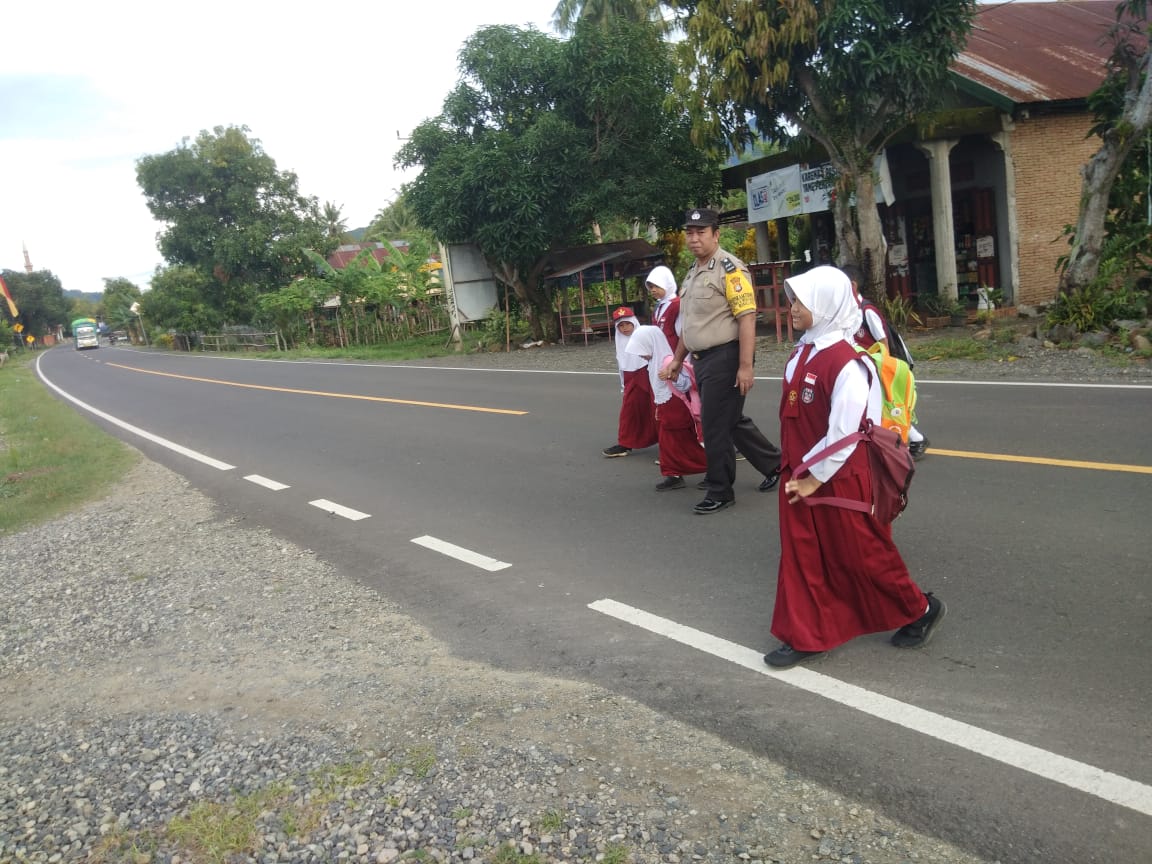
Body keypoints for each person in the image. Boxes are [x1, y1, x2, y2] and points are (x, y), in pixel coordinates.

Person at [765, 265, 945, 669]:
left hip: (838, 479)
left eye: (801, 301)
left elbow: (845, 434)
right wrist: (799, 474)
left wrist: (814, 479)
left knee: (863, 555)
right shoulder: (802, 352)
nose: (791, 308)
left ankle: (921, 609)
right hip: (800, 476)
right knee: (803, 555)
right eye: (792, 299)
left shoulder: (849, 364)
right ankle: (808, 634)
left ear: (826, 305)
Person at [662, 208, 781, 514]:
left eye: (701, 232)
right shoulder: (693, 271)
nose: (694, 239)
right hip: (702, 359)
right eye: (689, 232)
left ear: (716, 234)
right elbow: (691, 324)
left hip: (725, 357)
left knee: (715, 424)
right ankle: (776, 465)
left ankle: (720, 490)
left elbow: (747, 318)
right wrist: (678, 360)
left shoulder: (729, 269)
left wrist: (745, 366)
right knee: (728, 418)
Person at [841, 263, 930, 460]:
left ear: (853, 286)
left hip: (882, 368)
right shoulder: (849, 311)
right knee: (877, 407)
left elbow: (883, 341)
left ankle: (914, 439)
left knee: (889, 406)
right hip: (865, 368)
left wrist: (886, 372)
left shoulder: (867, 310)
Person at [625, 324, 708, 491]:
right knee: (668, 444)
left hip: (677, 408)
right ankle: (673, 474)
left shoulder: (669, 361)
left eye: (642, 350)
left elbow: (687, 385)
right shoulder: (653, 362)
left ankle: (712, 469)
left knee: (684, 442)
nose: (641, 355)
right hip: (665, 407)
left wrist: (673, 376)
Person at [602, 306, 659, 458]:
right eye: (620, 325)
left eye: (627, 323)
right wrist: (623, 385)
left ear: (634, 322)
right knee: (629, 412)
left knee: (658, 412)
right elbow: (622, 365)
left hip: (649, 376)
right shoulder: (620, 342)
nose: (625, 328)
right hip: (631, 379)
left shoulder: (646, 337)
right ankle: (625, 443)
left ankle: (670, 448)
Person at [646, 265, 681, 352]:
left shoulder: (677, 304)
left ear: (667, 284)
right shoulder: (658, 305)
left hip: (674, 352)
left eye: (657, 286)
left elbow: (682, 334)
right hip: (661, 352)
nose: (653, 290)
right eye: (651, 287)